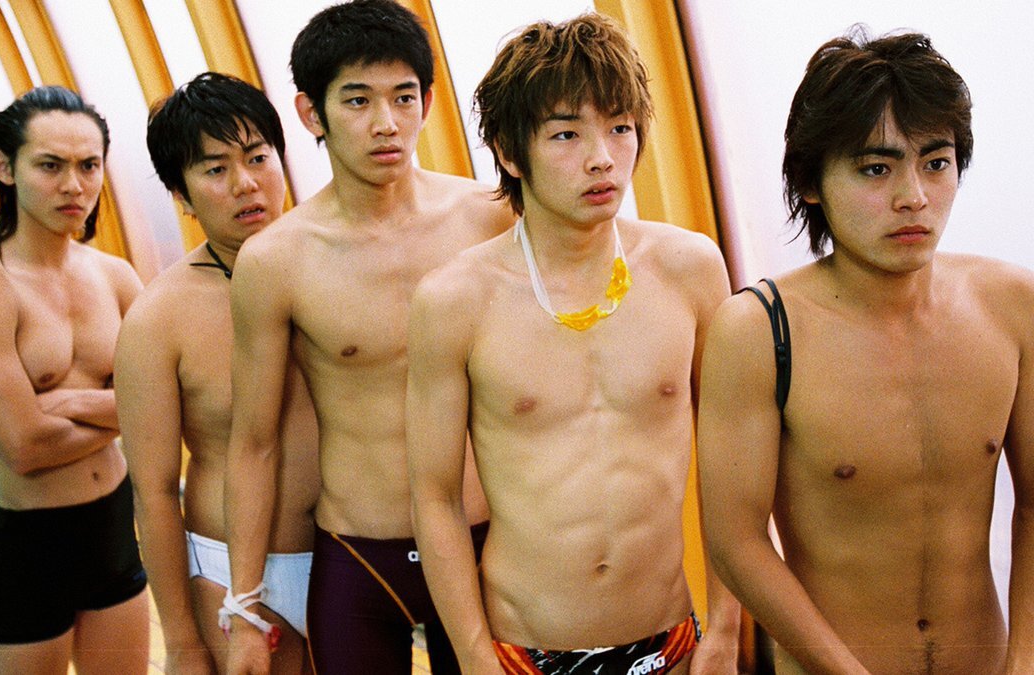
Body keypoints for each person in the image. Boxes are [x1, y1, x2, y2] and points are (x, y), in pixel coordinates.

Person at [407, 14, 740, 675]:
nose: (602, 158)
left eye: (620, 127)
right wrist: (473, 655)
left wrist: (727, 630)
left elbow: (735, 464)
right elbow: (436, 496)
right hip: (523, 646)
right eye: (567, 133)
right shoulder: (454, 300)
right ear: (508, 152)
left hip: (670, 637)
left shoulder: (690, 268)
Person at [697, 28, 1034, 674]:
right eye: (876, 169)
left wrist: (1023, 660)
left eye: (936, 163)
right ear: (811, 182)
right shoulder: (758, 331)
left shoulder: (1013, 305)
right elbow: (736, 543)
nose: (914, 196)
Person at [221, 1, 515, 672]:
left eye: (403, 97)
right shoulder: (276, 260)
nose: (386, 122)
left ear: (428, 102)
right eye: (357, 100)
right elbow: (255, 442)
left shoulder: (487, 218)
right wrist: (242, 608)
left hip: (485, 538)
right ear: (311, 113)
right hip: (360, 551)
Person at [0, 86, 148, 673]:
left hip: (113, 524)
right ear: (5, 167)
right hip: (32, 541)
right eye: (50, 166)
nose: (74, 186)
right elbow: (25, 449)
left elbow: (168, 404)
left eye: (89, 166)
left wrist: (63, 402)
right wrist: (122, 409)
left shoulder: (115, 277)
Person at [114, 73, 319, 674]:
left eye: (258, 157)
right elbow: (154, 491)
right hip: (228, 569)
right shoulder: (159, 318)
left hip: (349, 559)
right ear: (181, 194)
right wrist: (181, 641)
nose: (245, 183)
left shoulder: (340, 269)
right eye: (215, 169)